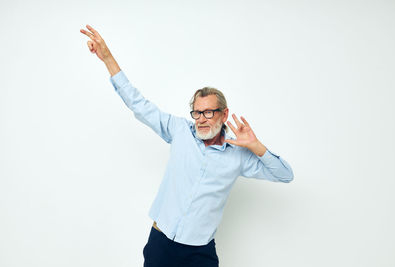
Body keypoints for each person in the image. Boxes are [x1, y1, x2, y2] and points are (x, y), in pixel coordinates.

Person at [80, 24, 294, 267]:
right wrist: (107, 57)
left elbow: (285, 175)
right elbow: (138, 103)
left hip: (199, 252)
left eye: (209, 113)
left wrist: (256, 146)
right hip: (161, 242)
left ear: (224, 115)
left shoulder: (239, 156)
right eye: (197, 112)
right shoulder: (179, 131)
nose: (201, 119)